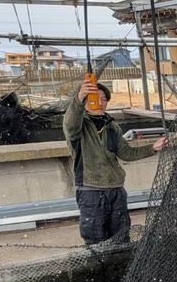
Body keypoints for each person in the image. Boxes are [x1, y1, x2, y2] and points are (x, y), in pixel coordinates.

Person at [64, 79, 167, 244]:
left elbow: (127, 153)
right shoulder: (79, 126)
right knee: (96, 239)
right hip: (91, 193)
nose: (101, 102)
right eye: (95, 98)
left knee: (121, 236)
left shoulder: (112, 127)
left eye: (104, 99)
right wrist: (79, 97)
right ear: (85, 101)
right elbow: (70, 121)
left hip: (117, 191)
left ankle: (122, 260)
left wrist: (153, 148)